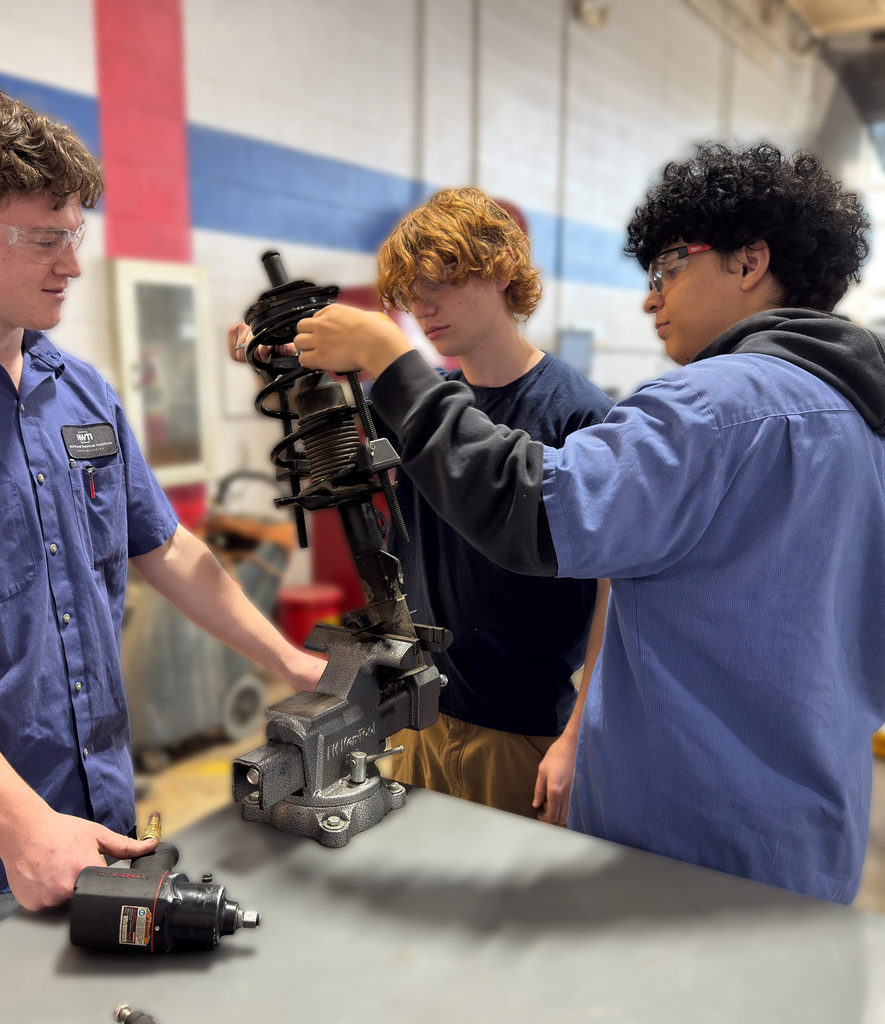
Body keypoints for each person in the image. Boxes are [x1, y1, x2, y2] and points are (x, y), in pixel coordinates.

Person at [292, 142, 885, 904]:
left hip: (682, 838)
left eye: (670, 266)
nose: (650, 297)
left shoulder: (711, 408)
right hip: (808, 834)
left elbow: (532, 511)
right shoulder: (859, 421)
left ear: (749, 263)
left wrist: (389, 358)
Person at [0, 86, 324, 974]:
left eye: (77, 233)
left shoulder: (80, 392)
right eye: (44, 238)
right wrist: (23, 828)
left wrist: (288, 660)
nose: (72, 263)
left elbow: (169, 548)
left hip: (102, 814)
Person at [231, 188, 612, 825]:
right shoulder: (422, 406)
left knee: (501, 914)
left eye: (439, 280)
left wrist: (579, 734)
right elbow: (335, 446)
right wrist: (284, 365)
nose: (422, 306)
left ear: (500, 270)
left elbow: (613, 593)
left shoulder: (579, 415)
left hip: (520, 733)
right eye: (409, 292)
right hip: (417, 714)